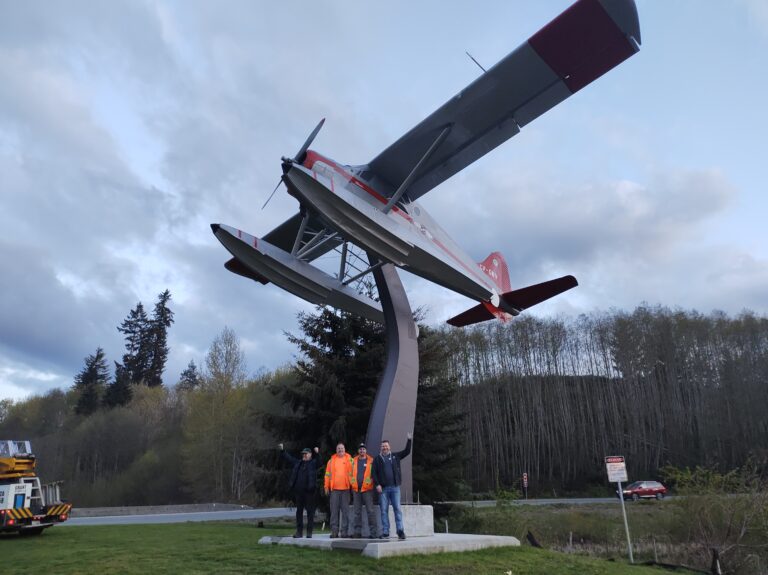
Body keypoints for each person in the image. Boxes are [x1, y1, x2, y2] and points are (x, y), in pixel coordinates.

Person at [372, 432, 412, 540]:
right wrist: (377, 485)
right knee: (383, 510)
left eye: (386, 446)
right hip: (383, 489)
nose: (385, 448)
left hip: (395, 488)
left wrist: (409, 440)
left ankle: (400, 531)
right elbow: (373, 473)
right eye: (383, 446)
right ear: (381, 448)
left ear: (389, 447)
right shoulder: (377, 459)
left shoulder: (395, 456)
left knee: (397, 509)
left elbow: (407, 451)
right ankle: (385, 531)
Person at [279, 443, 321, 538]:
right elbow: (289, 458)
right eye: (303, 454)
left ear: (310, 454)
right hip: (298, 492)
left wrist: (317, 453)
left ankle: (309, 532)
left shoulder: (313, 463)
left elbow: (320, 462)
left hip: (309, 492)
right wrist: (282, 451)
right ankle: (299, 532)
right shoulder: (298, 463)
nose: (304, 455)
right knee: (299, 512)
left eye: (306, 454)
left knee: (310, 512)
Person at [324, 442, 354, 538]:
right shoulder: (331, 461)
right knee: (334, 511)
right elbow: (327, 475)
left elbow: (355, 473)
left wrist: (354, 486)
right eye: (338, 448)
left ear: (345, 450)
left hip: (346, 489)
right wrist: (326, 486)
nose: (340, 450)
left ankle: (344, 532)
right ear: (336, 450)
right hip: (334, 490)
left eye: (342, 448)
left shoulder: (350, 460)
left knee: (345, 512)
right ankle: (334, 532)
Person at [350, 442, 378, 538]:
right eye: (360, 449)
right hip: (356, 490)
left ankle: (373, 533)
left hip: (367, 490)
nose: (362, 450)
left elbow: (374, 474)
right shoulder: (353, 461)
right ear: (358, 451)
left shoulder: (371, 461)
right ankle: (357, 532)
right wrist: (351, 483)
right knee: (357, 512)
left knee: (370, 511)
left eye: (363, 449)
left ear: (366, 450)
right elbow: (349, 474)